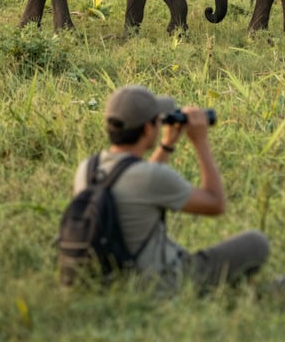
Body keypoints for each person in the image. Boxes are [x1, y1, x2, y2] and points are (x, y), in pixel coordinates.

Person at [73, 83, 269, 292]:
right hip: (160, 283)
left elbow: (136, 181)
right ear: (148, 129)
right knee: (256, 243)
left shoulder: (87, 168)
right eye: (158, 120)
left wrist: (167, 144)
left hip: (110, 280)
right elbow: (215, 203)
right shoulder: (151, 178)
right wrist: (200, 141)